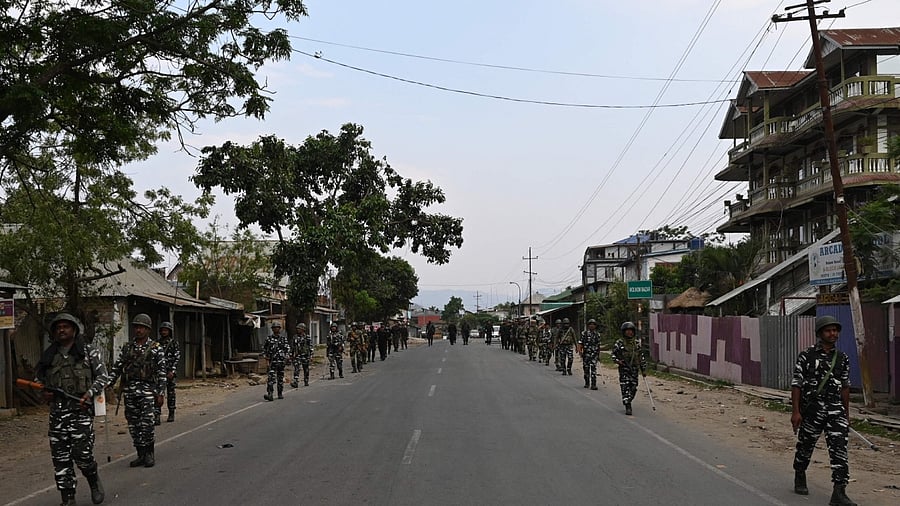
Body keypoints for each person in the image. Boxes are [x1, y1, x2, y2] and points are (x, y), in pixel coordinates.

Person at [35, 312, 111, 505]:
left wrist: (89, 393)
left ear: (75, 330)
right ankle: (68, 497)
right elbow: (38, 381)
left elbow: (103, 376)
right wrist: (43, 394)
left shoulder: (88, 351)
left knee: (82, 455)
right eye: (58, 327)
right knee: (60, 459)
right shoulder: (49, 355)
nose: (61, 329)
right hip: (57, 415)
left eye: (65, 326)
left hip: (80, 412)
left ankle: (93, 480)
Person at [790, 316, 856, 505]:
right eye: (828, 330)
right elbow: (797, 384)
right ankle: (800, 473)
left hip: (835, 410)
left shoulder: (842, 358)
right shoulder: (807, 355)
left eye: (835, 330)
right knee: (805, 445)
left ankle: (839, 491)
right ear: (820, 333)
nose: (833, 334)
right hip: (812, 409)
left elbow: (845, 387)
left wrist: (846, 414)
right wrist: (796, 412)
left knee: (839, 450)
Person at [108, 313, 166, 468]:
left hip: (148, 391)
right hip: (130, 392)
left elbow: (161, 372)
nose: (139, 330)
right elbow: (118, 368)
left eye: (142, 327)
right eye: (137, 327)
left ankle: (149, 454)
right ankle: (140, 453)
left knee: (147, 424)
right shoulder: (128, 348)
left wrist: (161, 393)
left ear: (148, 330)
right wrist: (107, 383)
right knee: (134, 425)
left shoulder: (156, 348)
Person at [611, 321, 647, 415]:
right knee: (625, 387)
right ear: (623, 332)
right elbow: (613, 355)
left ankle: (628, 399)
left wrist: (643, 369)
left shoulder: (636, 344)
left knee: (634, 387)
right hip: (624, 369)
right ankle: (628, 405)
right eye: (627, 331)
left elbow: (641, 357)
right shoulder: (619, 343)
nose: (629, 333)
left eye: (631, 331)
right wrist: (618, 361)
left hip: (634, 369)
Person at [154, 321, 180, 424]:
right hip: (159, 373)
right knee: (158, 394)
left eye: (166, 330)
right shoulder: (157, 344)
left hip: (169, 372)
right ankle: (157, 416)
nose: (164, 332)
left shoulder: (174, 343)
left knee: (171, 394)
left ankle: (171, 412)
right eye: (163, 330)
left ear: (170, 331)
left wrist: (172, 371)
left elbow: (177, 357)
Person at [262, 321, 290, 401]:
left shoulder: (283, 339)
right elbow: (264, 349)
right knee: (271, 379)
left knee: (280, 378)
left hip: (281, 362)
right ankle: (270, 394)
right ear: (272, 329)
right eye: (274, 328)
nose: (276, 329)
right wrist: (266, 358)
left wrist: (286, 357)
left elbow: (287, 349)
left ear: (280, 329)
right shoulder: (269, 339)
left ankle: (280, 393)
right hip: (272, 362)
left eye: (277, 327)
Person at [578, 319, 602, 390]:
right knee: (586, 369)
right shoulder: (584, 333)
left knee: (593, 370)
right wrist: (580, 352)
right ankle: (587, 382)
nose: (592, 326)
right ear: (588, 325)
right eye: (590, 324)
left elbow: (598, 345)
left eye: (593, 324)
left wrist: (598, 355)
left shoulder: (597, 334)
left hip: (594, 355)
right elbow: (580, 343)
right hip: (586, 355)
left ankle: (593, 384)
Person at [290, 323, 313, 387]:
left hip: (305, 355)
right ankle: (295, 381)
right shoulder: (295, 337)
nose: (298, 330)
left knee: (306, 369)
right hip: (298, 355)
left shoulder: (307, 337)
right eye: (297, 329)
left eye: (299, 328)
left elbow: (310, 346)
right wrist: (291, 355)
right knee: (296, 368)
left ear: (303, 329)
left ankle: (306, 380)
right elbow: (293, 346)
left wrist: (311, 355)